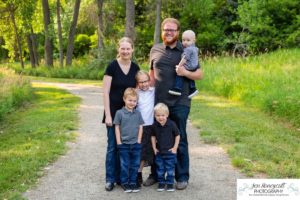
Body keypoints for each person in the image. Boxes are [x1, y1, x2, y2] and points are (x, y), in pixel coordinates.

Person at [145, 18, 204, 190]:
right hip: (159, 104)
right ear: (162, 31)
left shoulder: (186, 49)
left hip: (180, 102)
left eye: (172, 30)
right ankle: (155, 174)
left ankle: (182, 176)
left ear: (178, 32)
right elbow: (151, 75)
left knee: (180, 138)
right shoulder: (155, 49)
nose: (168, 32)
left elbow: (199, 74)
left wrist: (185, 72)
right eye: (166, 29)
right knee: (155, 138)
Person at [102, 37, 140, 191]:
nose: (125, 51)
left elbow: (137, 92)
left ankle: (122, 178)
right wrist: (108, 115)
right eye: (122, 48)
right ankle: (110, 178)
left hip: (129, 114)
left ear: (132, 50)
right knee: (113, 146)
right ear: (119, 49)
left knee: (125, 147)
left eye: (128, 49)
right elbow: (105, 91)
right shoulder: (112, 66)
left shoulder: (135, 67)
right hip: (113, 113)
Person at [113, 88, 144, 193]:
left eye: (134, 101)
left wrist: (139, 141)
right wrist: (119, 142)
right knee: (125, 165)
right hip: (124, 144)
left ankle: (132, 182)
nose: (132, 103)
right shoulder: (119, 113)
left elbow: (140, 127)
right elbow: (117, 127)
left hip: (136, 144)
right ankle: (125, 182)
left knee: (135, 165)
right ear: (124, 99)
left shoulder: (138, 113)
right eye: (130, 100)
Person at [151, 103, 180, 192]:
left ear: (167, 115)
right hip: (159, 152)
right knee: (160, 169)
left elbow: (177, 135)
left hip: (170, 152)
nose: (160, 117)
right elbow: (153, 137)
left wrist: (175, 148)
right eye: (158, 115)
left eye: (163, 115)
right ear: (155, 116)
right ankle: (161, 183)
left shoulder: (171, 124)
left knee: (170, 169)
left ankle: (170, 184)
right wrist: (154, 148)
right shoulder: (154, 125)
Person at [135, 70, 155, 187]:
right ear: (137, 83)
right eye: (141, 82)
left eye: (146, 81)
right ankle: (138, 173)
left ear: (149, 80)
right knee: (141, 152)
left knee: (151, 151)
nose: (144, 84)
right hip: (140, 127)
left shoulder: (154, 92)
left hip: (152, 126)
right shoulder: (135, 93)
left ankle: (156, 175)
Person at [168, 30, 199, 99]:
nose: (185, 42)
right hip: (194, 65)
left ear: (194, 41)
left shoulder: (188, 49)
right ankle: (193, 88)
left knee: (179, 73)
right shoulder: (195, 48)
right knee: (188, 75)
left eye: (188, 40)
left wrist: (179, 66)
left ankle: (177, 88)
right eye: (183, 40)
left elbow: (184, 59)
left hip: (189, 65)